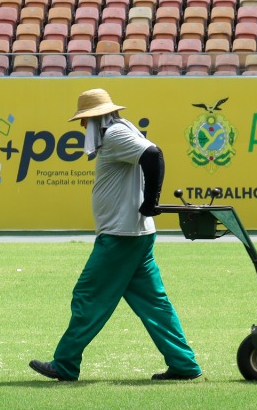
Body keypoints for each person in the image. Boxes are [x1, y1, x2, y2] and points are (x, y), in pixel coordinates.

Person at [29, 88, 204, 382]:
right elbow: (151, 154)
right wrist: (148, 204)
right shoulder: (121, 130)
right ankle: (184, 364)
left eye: (84, 120)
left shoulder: (114, 135)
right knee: (155, 305)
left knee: (88, 296)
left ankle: (65, 363)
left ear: (95, 118)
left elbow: (153, 155)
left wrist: (150, 201)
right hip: (136, 235)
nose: (82, 126)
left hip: (121, 237)